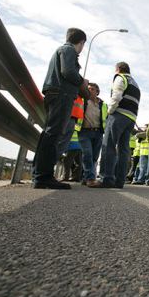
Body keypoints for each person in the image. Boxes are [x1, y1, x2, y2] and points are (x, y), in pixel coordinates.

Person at [32, 28, 88, 189]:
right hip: (62, 94)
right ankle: (43, 177)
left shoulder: (62, 50)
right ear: (82, 42)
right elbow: (68, 71)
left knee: (50, 133)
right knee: (53, 134)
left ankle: (40, 174)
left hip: (56, 93)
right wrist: (82, 82)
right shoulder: (68, 50)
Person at [89, 62, 140, 189]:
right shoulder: (135, 83)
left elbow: (116, 96)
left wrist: (110, 111)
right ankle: (119, 181)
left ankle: (106, 179)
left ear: (118, 69)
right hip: (131, 118)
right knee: (123, 150)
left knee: (108, 146)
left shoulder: (120, 78)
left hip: (119, 115)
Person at [77, 82, 107, 186]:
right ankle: (90, 179)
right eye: (88, 88)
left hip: (98, 133)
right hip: (84, 132)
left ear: (97, 92)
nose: (90, 90)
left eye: (92, 89)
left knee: (94, 157)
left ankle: (85, 177)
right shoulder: (83, 101)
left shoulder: (103, 105)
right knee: (87, 154)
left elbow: (106, 118)